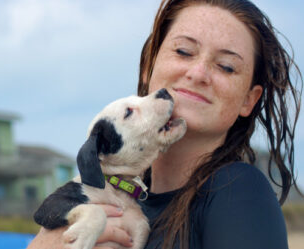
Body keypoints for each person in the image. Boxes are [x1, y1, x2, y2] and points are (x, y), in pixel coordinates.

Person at [27, 0, 303, 248]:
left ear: (249, 100)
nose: (198, 73)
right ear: (149, 64)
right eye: (184, 51)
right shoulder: (121, 199)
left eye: (227, 67)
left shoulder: (238, 190)